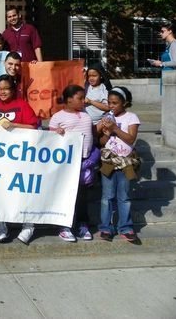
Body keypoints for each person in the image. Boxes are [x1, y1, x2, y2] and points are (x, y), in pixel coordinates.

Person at [0, 74, 39, 244]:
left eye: (6, 88)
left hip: (21, 156)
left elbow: (34, 126)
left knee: (23, 191)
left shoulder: (22, 105)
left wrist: (14, 126)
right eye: (0, 89)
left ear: (13, 90)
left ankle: (28, 226)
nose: (3, 92)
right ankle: (0, 226)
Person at [49, 85, 95, 242]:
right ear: (69, 100)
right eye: (80, 98)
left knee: (82, 195)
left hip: (84, 161)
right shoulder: (57, 117)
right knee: (66, 195)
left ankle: (82, 225)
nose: (84, 101)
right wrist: (56, 133)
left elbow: (92, 134)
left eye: (84, 98)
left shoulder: (86, 114)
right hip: (66, 163)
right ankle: (64, 226)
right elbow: (50, 140)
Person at [96, 86, 141, 243]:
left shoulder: (131, 117)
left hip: (126, 162)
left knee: (124, 197)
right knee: (106, 197)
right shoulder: (106, 117)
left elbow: (131, 139)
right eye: (109, 102)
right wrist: (106, 134)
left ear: (124, 103)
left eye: (115, 103)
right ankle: (105, 227)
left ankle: (126, 227)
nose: (111, 106)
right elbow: (102, 142)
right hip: (109, 161)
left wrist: (115, 128)